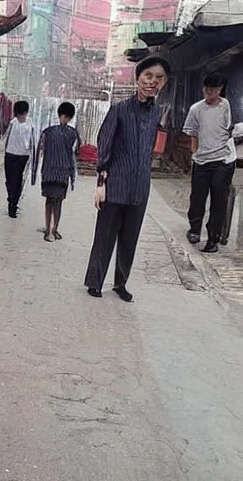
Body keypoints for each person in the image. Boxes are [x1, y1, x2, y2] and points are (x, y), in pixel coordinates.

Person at [84, 56, 170, 302]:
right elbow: (105, 145)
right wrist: (101, 183)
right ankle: (95, 281)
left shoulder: (156, 114)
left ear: (164, 83)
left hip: (140, 188)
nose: (152, 82)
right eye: (148, 76)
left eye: (159, 78)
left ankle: (120, 283)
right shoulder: (119, 110)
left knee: (130, 239)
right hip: (115, 185)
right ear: (138, 78)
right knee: (105, 236)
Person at [183, 73, 236, 253]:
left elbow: (228, 129)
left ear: (220, 90)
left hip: (221, 161)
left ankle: (213, 238)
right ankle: (194, 229)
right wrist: (195, 153)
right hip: (201, 161)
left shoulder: (225, 106)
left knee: (218, 202)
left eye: (213, 89)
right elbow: (192, 133)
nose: (208, 92)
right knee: (197, 198)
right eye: (206, 88)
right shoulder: (196, 109)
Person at [31, 102, 78, 241]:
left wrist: (35, 174)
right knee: (58, 202)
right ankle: (54, 229)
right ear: (69, 117)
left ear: (60, 115)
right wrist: (73, 177)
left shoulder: (47, 132)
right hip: (63, 173)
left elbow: (40, 151)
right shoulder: (73, 134)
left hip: (48, 171)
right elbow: (74, 155)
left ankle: (47, 229)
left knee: (49, 201)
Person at [4, 100, 35, 218]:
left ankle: (13, 202)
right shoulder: (14, 123)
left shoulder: (26, 124)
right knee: (12, 180)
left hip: (20, 155)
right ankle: (12, 200)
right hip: (12, 154)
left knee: (16, 180)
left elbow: (33, 139)